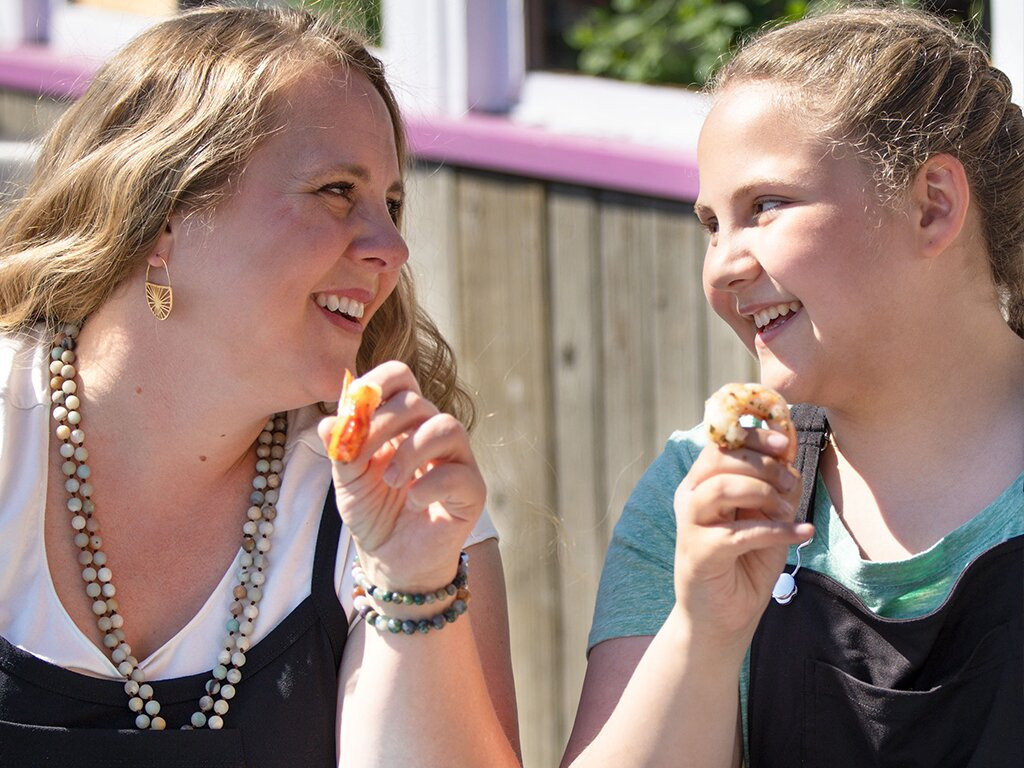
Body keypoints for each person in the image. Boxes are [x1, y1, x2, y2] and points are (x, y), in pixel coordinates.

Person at [0, 5, 520, 767]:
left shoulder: (398, 500)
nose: (393, 246)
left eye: (393, 204)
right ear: (164, 216)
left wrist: (412, 580)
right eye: (338, 191)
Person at [561, 5, 1023, 767]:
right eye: (711, 224)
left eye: (765, 206)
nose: (723, 265)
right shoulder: (697, 496)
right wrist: (703, 634)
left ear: (933, 205)